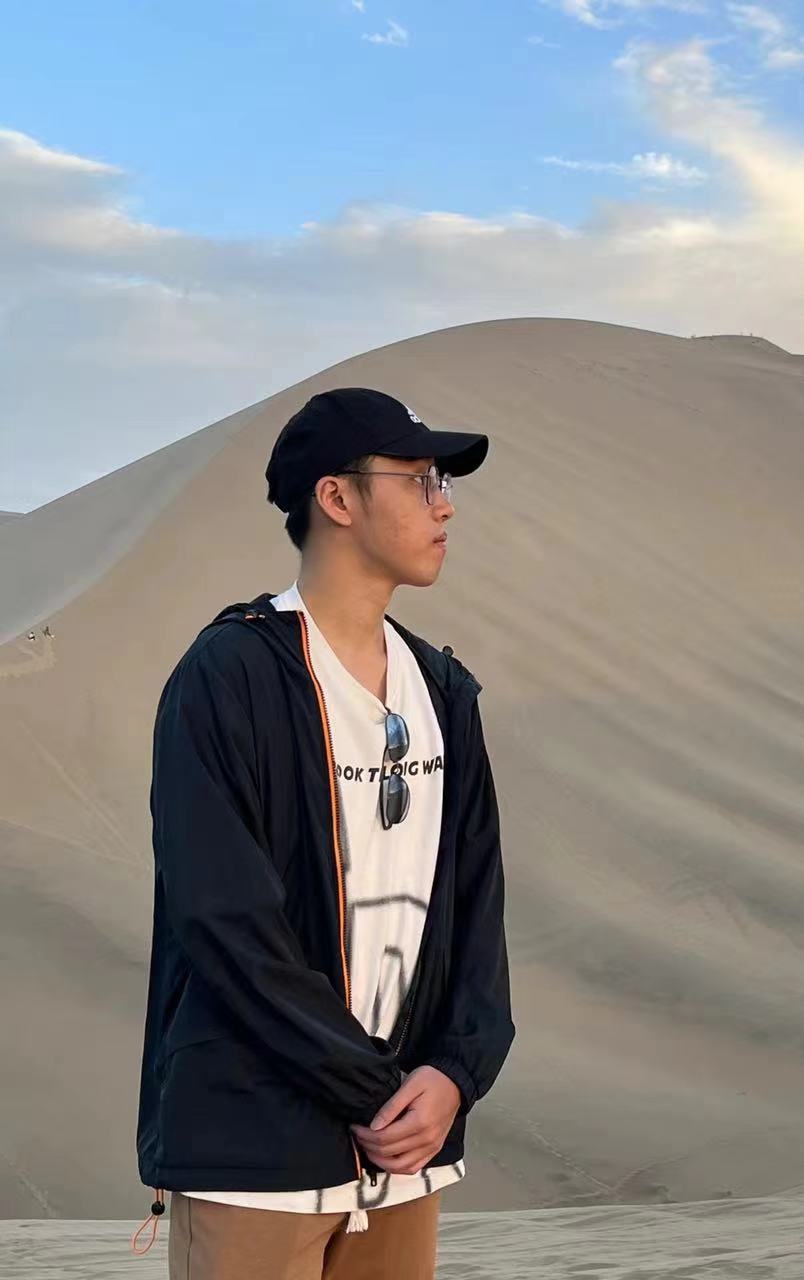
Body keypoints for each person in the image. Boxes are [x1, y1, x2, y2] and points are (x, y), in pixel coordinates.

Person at [134, 387, 515, 1279]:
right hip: (258, 1155)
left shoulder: (443, 690)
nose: (446, 506)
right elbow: (226, 924)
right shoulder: (229, 676)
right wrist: (375, 1091)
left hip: (406, 1154)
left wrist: (457, 1074)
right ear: (337, 498)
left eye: (445, 483)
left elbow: (477, 907)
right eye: (420, 481)